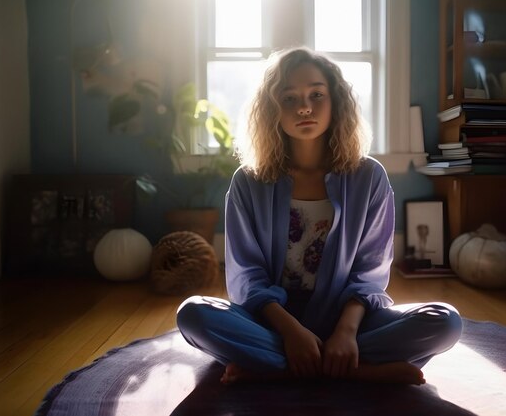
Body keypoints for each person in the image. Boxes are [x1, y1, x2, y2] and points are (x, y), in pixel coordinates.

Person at [176, 47, 462, 385]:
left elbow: (369, 274)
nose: (305, 107)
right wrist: (292, 332)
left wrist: (345, 333)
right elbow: (246, 277)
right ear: (272, 109)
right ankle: (356, 372)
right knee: (193, 314)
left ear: (336, 100)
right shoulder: (247, 182)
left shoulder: (369, 177)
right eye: (289, 97)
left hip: (348, 320)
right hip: (272, 323)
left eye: (316, 94)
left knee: (445, 321)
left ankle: (270, 369)